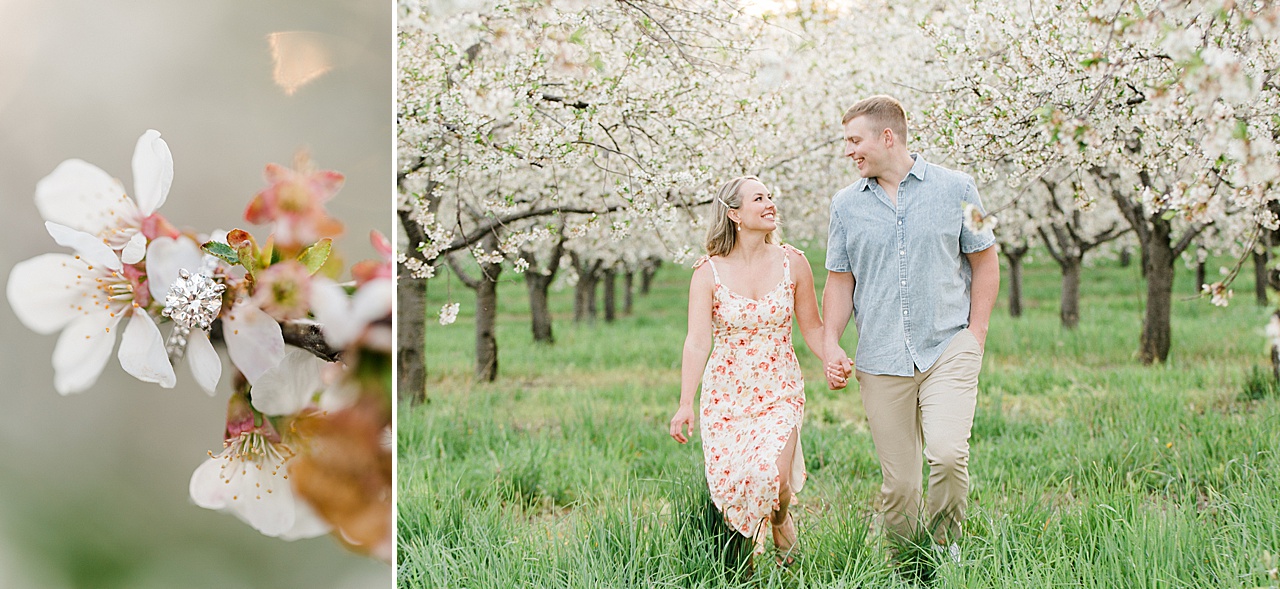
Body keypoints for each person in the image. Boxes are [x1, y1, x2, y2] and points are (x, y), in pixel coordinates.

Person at [822, 95, 999, 560]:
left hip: (948, 347)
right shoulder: (844, 206)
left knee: (946, 454)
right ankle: (906, 566)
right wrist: (829, 343)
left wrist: (975, 334)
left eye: (855, 140)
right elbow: (839, 283)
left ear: (888, 137)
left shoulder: (960, 187)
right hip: (881, 359)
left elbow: (986, 259)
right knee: (900, 486)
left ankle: (946, 551)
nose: (849, 151)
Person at [668, 176, 824, 566]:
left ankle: (780, 519)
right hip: (726, 397)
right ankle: (745, 567)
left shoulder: (794, 262)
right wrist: (685, 403)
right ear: (735, 214)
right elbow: (697, 341)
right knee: (740, 483)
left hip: (779, 390)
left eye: (770, 196)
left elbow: (814, 327)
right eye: (759, 198)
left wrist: (832, 356)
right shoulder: (708, 272)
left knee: (776, 477)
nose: (771, 203)